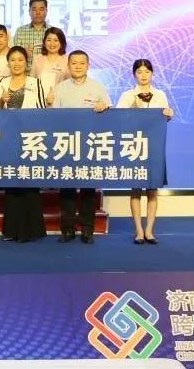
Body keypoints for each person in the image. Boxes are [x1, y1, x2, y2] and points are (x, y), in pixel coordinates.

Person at [53, 49, 111, 244]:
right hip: (66, 144)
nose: (78, 66)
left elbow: (108, 109)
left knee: (88, 189)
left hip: (89, 143)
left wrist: (104, 106)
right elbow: (54, 117)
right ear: (68, 66)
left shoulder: (97, 87)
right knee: (67, 189)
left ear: (88, 66)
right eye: (74, 63)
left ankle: (87, 229)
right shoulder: (60, 88)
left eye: (82, 63)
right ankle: (67, 229)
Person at [0, 46, 47, 243]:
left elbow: (42, 110)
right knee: (12, 183)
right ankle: (12, 230)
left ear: (26, 62)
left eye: (20, 60)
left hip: (31, 139)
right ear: (8, 63)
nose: (16, 63)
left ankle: (32, 230)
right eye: (13, 60)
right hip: (9, 139)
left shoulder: (35, 82)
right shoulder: (1, 83)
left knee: (30, 182)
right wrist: (1, 101)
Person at [116, 58, 174, 245]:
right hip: (134, 146)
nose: (143, 75)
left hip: (154, 145)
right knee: (135, 189)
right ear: (134, 74)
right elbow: (118, 118)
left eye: (147, 72)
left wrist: (169, 114)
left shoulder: (160, 95)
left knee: (152, 188)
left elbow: (164, 119)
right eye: (139, 72)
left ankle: (149, 230)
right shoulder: (127, 96)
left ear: (152, 74)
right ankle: (139, 231)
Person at [30, 27, 70, 105]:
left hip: (61, 103)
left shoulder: (67, 60)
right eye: (49, 40)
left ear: (61, 42)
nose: (52, 43)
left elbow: (70, 83)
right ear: (44, 42)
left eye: (56, 40)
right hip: (40, 103)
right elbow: (32, 82)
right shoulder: (37, 59)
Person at [12, 0, 49, 73]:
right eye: (34, 9)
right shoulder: (20, 31)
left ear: (46, 11)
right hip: (25, 75)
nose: (38, 13)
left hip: (48, 74)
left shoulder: (53, 32)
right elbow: (13, 56)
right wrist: (23, 54)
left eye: (41, 9)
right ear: (29, 11)